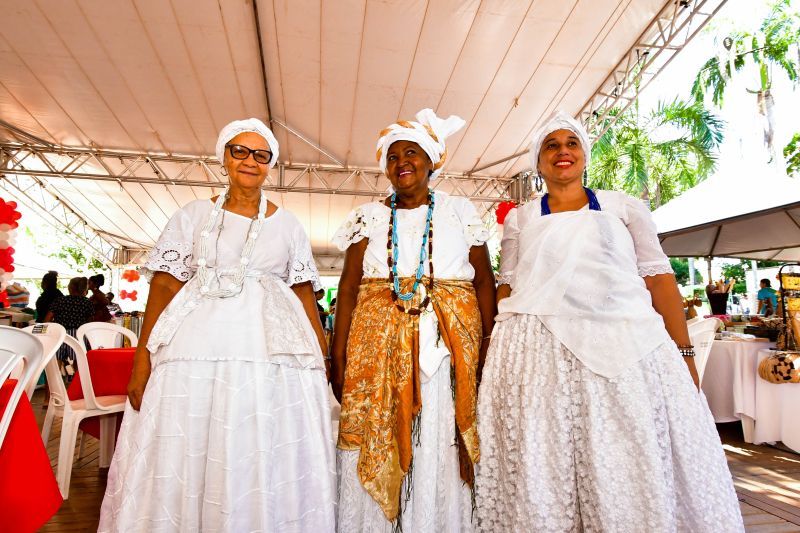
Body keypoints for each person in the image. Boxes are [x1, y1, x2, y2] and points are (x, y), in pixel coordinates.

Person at [474, 110, 743, 532]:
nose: (563, 151)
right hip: (539, 353)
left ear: (583, 154)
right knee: (546, 455)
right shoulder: (520, 219)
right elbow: (507, 289)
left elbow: (659, 281)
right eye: (551, 145)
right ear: (538, 162)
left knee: (626, 447)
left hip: (627, 347)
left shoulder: (624, 206)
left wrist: (685, 353)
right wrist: (493, 360)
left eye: (571, 143)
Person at [98, 118, 336, 531]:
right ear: (223, 157)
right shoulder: (191, 215)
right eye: (239, 151)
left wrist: (322, 357)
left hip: (271, 352)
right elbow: (165, 287)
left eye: (261, 155)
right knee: (190, 435)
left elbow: (303, 296)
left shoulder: (289, 225)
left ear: (270, 165)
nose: (249, 161)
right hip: (193, 345)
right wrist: (143, 361)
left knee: (259, 436)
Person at [331, 109, 497, 532]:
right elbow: (348, 290)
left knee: (438, 441)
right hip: (377, 357)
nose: (401, 162)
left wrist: (489, 350)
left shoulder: (460, 211)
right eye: (392, 156)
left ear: (432, 161)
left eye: (412, 153)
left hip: (445, 358)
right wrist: (338, 355)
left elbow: (484, 285)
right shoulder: (367, 217)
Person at [46, 276, 93, 377]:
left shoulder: (59, 301)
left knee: (55, 368)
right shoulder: (87, 302)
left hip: (59, 334)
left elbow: (47, 319)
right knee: (79, 367)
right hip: (78, 335)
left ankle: (51, 392)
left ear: (70, 287)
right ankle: (79, 390)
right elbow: (90, 322)